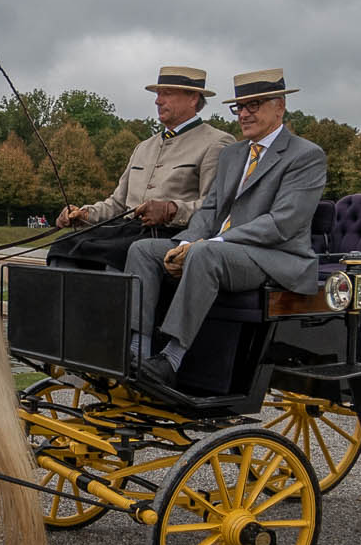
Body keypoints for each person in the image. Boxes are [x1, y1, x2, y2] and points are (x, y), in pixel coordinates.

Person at [123, 68, 327, 404]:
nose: (244, 114)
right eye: (240, 107)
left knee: (205, 255)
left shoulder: (305, 156)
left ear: (280, 107)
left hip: (276, 256)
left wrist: (209, 244)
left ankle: (171, 359)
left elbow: (283, 224)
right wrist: (185, 242)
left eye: (253, 105)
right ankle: (138, 352)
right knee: (144, 250)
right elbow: (210, 210)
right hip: (222, 250)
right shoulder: (234, 153)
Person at [56, 66, 237, 266]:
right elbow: (117, 204)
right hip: (124, 230)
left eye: (166, 94)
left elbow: (213, 207)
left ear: (193, 98)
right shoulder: (143, 147)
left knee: (114, 255)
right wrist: (85, 214)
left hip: (168, 234)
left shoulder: (217, 143)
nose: (158, 101)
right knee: (63, 246)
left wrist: (171, 210)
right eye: (158, 94)